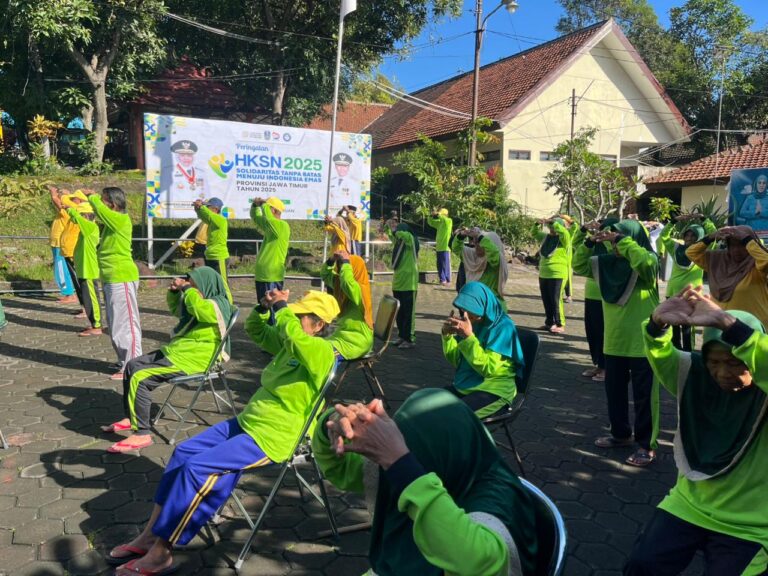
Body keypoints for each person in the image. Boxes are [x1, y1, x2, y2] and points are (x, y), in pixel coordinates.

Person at [106, 290, 340, 573]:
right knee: (183, 452)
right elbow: (256, 330)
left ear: (319, 325)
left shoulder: (322, 352)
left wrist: (282, 308)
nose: (291, 317)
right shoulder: (293, 344)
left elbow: (293, 336)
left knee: (197, 469)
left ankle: (162, 552)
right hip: (250, 420)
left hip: (274, 437)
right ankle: (149, 535)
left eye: (300, 315)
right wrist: (265, 308)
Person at [312, 388, 540, 575]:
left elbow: (480, 565)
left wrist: (401, 463)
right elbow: (346, 470)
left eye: (410, 454)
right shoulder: (441, 462)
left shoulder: (499, 497)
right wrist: (332, 422)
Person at [625, 287, 768, 575]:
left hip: (752, 523)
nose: (723, 373)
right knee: (641, 566)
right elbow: (661, 355)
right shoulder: (695, 375)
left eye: (735, 362)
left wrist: (726, 323)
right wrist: (656, 325)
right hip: (689, 503)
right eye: (714, 362)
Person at [101, 267, 233, 453]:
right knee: (132, 365)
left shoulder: (219, 304)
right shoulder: (199, 300)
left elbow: (199, 309)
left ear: (206, 285)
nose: (190, 288)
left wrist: (187, 290)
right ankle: (132, 418)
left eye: (194, 285)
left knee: (140, 377)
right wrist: (174, 293)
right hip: (179, 351)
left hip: (195, 359)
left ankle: (142, 434)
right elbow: (179, 311)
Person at [573, 219, 660, 467]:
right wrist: (590, 241)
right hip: (614, 342)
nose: (615, 246)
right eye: (614, 240)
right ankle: (621, 434)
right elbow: (578, 264)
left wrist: (624, 241)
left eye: (619, 239)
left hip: (643, 343)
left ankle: (647, 445)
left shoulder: (647, 263)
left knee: (645, 397)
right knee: (615, 393)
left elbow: (645, 262)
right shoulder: (607, 265)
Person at [441, 282, 525, 418]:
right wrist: (447, 336)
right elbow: (457, 361)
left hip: (495, 390)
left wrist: (468, 337)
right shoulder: (474, 323)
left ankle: (469, 439)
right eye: (463, 309)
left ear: (484, 305)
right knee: (423, 405)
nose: (466, 314)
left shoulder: (504, 327)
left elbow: (488, 368)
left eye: (471, 308)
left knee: (454, 418)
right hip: (466, 385)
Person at [85, 187, 143, 380]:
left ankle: (132, 365)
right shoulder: (111, 224)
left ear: (113, 204)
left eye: (103, 201)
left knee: (126, 323)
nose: (99, 204)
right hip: (111, 278)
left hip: (122, 277)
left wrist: (91, 196)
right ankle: (123, 361)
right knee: (115, 322)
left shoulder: (121, 220)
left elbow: (100, 211)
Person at [686, 225, 768, 329]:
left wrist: (747, 239)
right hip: (722, 328)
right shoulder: (718, 261)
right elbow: (690, 253)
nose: (737, 250)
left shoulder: (756, 264)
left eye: (742, 245)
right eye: (733, 245)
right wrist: (711, 237)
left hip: (753, 328)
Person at [655, 214, 716, 351]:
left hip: (692, 295)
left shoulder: (703, 250)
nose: (689, 238)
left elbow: (713, 235)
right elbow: (664, 235)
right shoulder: (676, 247)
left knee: (688, 327)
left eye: (693, 236)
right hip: (673, 293)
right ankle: (677, 353)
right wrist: (674, 220)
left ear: (700, 237)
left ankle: (689, 353)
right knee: (674, 326)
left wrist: (703, 218)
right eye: (687, 235)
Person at [571, 218, 617, 382]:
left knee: (606, 333)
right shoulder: (594, 244)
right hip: (591, 295)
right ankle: (598, 363)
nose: (602, 233)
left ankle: (608, 367)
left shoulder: (615, 246)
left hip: (608, 296)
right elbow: (578, 257)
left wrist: (607, 240)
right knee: (593, 332)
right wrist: (588, 237)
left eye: (607, 230)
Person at [321, 250, 374, 360]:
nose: (340, 270)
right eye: (340, 266)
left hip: (358, 340)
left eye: (344, 267)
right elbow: (325, 275)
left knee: (323, 355)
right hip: (341, 336)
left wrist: (346, 261)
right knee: (315, 348)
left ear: (353, 269)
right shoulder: (340, 283)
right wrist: (331, 261)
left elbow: (347, 283)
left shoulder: (361, 289)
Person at [251, 196, 290, 325]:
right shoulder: (270, 227)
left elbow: (267, 218)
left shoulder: (282, 226)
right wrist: (256, 206)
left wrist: (264, 206)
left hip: (271, 275)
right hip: (264, 275)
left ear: (272, 210)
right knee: (264, 308)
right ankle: (268, 333)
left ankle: (274, 335)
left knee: (272, 309)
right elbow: (257, 218)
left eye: (267, 208)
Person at [67, 199, 102, 337]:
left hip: (89, 270)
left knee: (91, 299)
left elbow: (75, 217)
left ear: (87, 216)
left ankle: (97, 325)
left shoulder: (90, 227)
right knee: (88, 299)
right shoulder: (86, 228)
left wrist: (69, 208)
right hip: (84, 269)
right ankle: (94, 323)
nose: (79, 217)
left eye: (82, 215)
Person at [451, 227, 508, 309]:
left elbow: (493, 253)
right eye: (475, 243)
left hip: (491, 306)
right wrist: (461, 235)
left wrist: (480, 237)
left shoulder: (496, 262)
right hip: (474, 305)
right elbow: (456, 249)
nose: (476, 245)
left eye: (479, 243)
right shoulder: (473, 257)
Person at [384, 221, 419, 349]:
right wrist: (388, 226)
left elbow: (405, 235)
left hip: (409, 284)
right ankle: (401, 336)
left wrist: (396, 230)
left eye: (399, 230)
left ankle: (409, 339)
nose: (397, 234)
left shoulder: (411, 241)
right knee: (399, 312)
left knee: (408, 313)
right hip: (398, 283)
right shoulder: (400, 243)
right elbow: (392, 235)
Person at [534, 217, 571, 334]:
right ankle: (549, 322)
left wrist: (554, 223)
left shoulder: (565, 239)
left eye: (553, 228)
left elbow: (564, 232)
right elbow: (534, 233)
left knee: (555, 299)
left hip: (558, 274)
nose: (551, 230)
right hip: (544, 273)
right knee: (546, 299)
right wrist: (536, 224)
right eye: (550, 228)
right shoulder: (546, 237)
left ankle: (560, 324)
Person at [193, 197, 232, 304]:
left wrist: (201, 207)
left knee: (223, 283)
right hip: (211, 256)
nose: (206, 208)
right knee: (213, 283)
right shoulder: (212, 220)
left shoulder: (220, 219)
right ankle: (217, 303)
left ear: (215, 209)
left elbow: (208, 215)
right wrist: (198, 209)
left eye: (208, 206)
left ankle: (229, 306)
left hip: (219, 257)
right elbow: (204, 216)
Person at [48, 187, 77, 304]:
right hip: (58, 243)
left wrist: (53, 193)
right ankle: (70, 292)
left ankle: (69, 294)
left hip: (60, 244)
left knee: (61, 270)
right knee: (64, 269)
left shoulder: (68, 210)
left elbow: (57, 202)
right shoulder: (66, 211)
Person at [427, 208, 454, 286]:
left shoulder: (448, 221)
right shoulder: (439, 223)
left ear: (445, 215)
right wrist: (431, 215)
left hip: (446, 247)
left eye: (441, 214)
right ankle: (442, 280)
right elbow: (430, 222)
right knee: (440, 265)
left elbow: (444, 219)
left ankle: (448, 280)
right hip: (439, 247)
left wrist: (438, 214)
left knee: (446, 265)